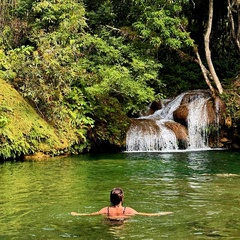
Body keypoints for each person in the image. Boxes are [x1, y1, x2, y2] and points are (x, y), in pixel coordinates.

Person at [71, 187, 172, 220]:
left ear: (110, 198)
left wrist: (77, 214)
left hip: (110, 225)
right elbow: (147, 215)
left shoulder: (106, 210)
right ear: (122, 198)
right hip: (123, 225)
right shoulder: (128, 210)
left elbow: (90, 214)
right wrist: (164, 213)